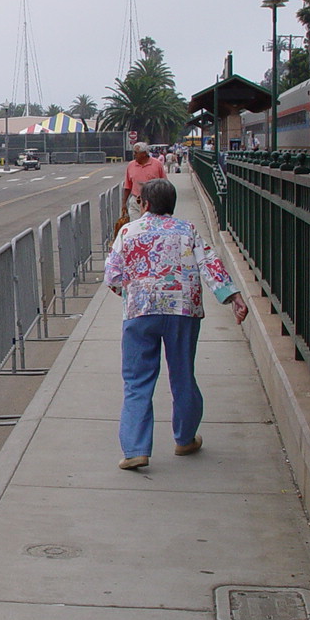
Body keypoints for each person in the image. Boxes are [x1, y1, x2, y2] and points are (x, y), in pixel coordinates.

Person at [104, 178, 249, 471]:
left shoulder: (128, 232)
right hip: (183, 310)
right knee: (183, 374)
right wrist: (232, 296)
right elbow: (210, 263)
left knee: (137, 381)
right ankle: (184, 438)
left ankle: (135, 449)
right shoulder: (187, 230)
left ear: (143, 203)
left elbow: (113, 275)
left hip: (140, 311)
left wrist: (130, 292)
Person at [122, 141, 167, 221]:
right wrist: (124, 203)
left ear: (144, 153)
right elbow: (127, 186)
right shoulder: (131, 165)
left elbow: (164, 184)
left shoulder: (157, 164)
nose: (134, 155)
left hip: (153, 202)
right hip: (136, 202)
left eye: (136, 153)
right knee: (135, 226)